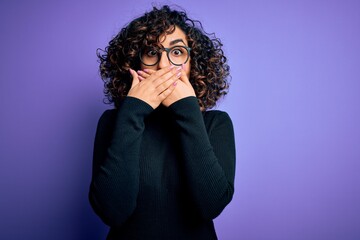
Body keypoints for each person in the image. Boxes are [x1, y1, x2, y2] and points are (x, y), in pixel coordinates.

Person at [89, 5, 236, 240]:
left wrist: (187, 110)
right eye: (151, 52)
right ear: (136, 64)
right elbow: (112, 211)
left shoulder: (215, 124)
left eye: (177, 52)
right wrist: (132, 112)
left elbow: (210, 206)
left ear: (193, 64)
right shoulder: (112, 122)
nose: (163, 65)